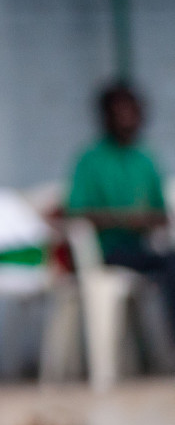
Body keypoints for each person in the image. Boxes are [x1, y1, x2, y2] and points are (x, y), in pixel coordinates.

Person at [65, 82, 175, 337]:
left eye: (133, 113)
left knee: (172, 262)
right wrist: (124, 219)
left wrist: (146, 220)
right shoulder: (91, 160)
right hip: (107, 252)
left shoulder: (145, 159)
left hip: (140, 250)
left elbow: (161, 215)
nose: (129, 120)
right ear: (106, 117)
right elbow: (76, 213)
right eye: (121, 113)